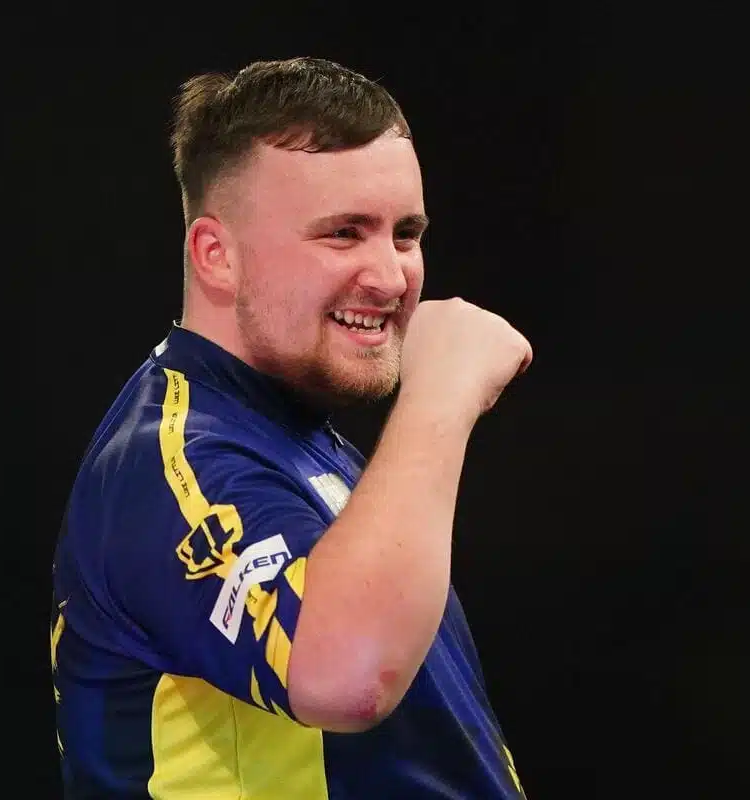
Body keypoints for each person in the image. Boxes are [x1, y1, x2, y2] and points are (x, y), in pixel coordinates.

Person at [50, 56, 533, 798]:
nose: (391, 276)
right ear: (216, 256)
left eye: (405, 234)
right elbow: (349, 676)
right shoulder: (170, 463)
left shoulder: (292, 437)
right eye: (343, 233)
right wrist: (441, 392)